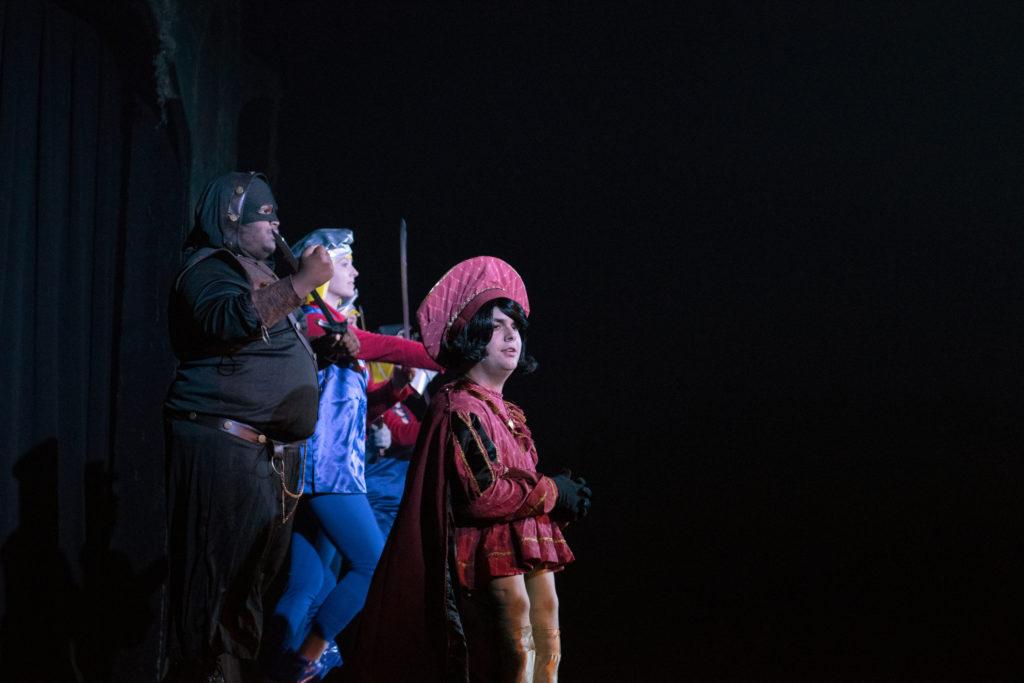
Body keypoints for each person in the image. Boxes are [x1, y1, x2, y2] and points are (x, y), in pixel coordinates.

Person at [347, 256, 592, 683]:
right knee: (515, 657)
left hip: (523, 550)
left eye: (515, 327)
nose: (511, 335)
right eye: (497, 326)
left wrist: (558, 500)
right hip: (488, 558)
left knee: (546, 651)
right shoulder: (459, 405)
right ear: (473, 335)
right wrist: (552, 491)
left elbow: (516, 488)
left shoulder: (506, 411)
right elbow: (483, 496)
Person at [163, 172, 335, 682]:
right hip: (221, 446)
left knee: (244, 593)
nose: (276, 222)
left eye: (275, 213)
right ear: (231, 218)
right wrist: (301, 282)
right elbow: (225, 320)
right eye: (264, 214)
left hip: (262, 458)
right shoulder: (208, 267)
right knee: (212, 591)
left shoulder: (259, 271)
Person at [269, 228, 440, 682]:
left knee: (311, 583)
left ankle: (280, 668)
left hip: (329, 473)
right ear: (322, 272)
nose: (355, 270)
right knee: (373, 564)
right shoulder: (311, 321)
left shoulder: (335, 327)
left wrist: (402, 384)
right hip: (328, 472)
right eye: (346, 263)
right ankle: (305, 657)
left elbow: (371, 405)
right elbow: (386, 344)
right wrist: (443, 355)